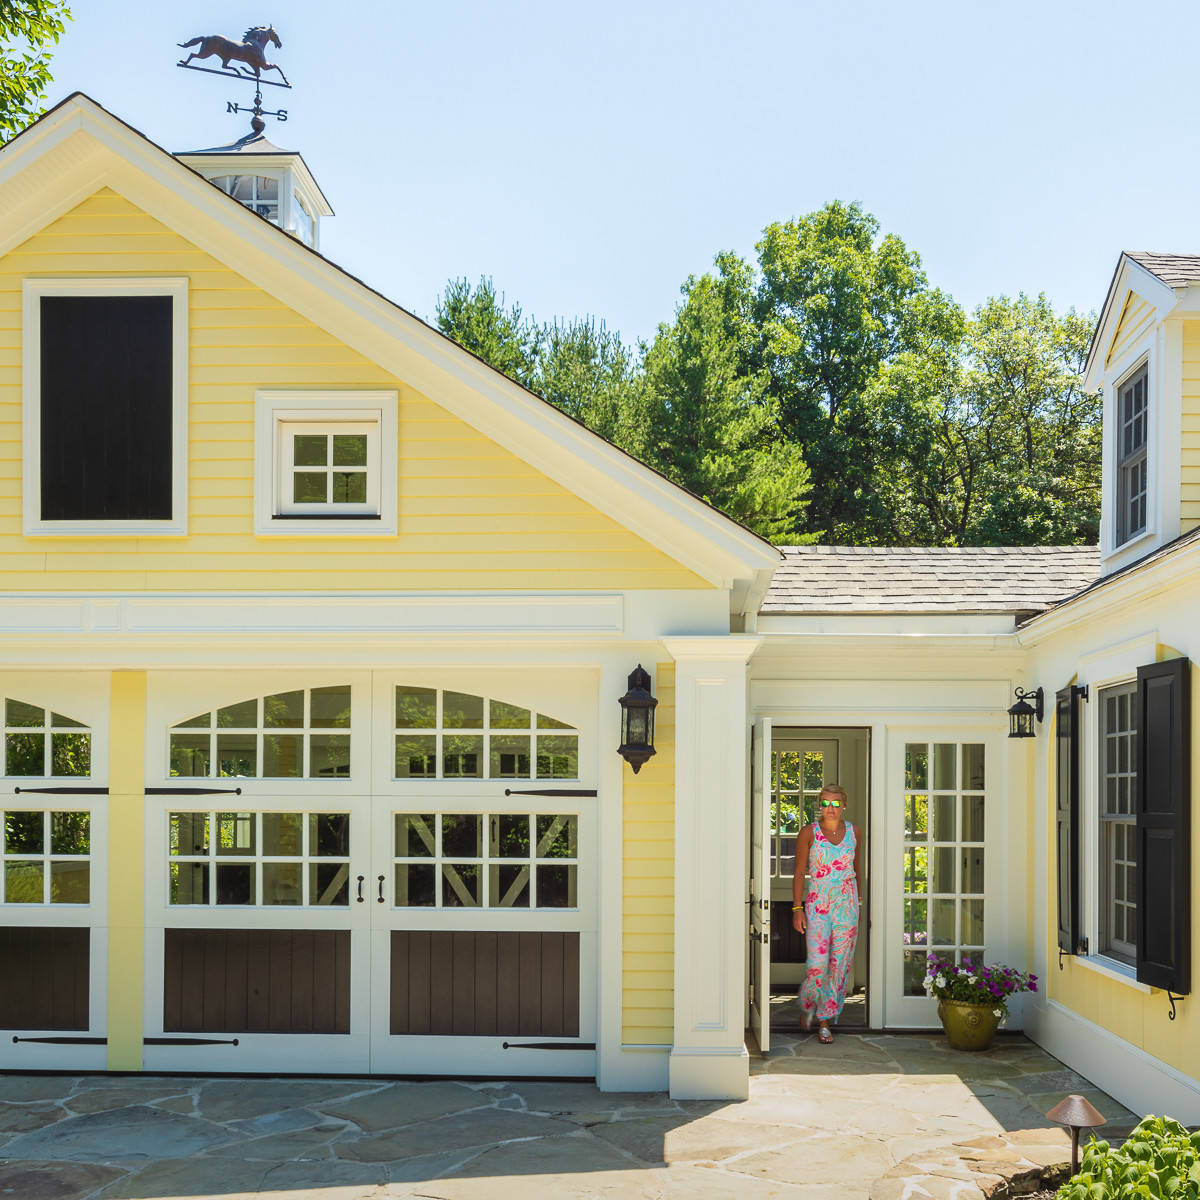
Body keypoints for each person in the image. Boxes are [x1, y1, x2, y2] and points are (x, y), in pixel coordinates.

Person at [792, 784, 862, 1044]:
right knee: (819, 963)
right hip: (818, 903)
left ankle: (824, 1020)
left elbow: (856, 867)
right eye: (824, 803)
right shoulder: (808, 833)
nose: (830, 808)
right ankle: (809, 1005)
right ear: (819, 805)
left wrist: (859, 900)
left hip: (847, 903)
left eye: (835, 803)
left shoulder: (854, 832)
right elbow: (799, 872)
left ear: (844, 805)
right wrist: (797, 908)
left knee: (839, 964)